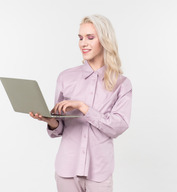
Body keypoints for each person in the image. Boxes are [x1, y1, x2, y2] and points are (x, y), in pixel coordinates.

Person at [30, 14, 132, 192]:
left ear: (105, 40)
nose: (83, 43)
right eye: (80, 38)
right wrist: (51, 121)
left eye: (90, 37)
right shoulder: (65, 77)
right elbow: (60, 128)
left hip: (99, 171)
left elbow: (118, 126)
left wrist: (83, 107)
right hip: (66, 169)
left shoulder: (121, 84)